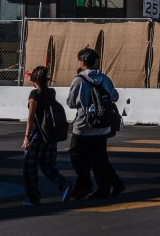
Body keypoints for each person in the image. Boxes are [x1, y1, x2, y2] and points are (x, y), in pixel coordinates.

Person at [67, 47, 125, 199]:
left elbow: (72, 103)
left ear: (82, 61)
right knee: (99, 158)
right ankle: (108, 186)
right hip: (102, 126)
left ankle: (85, 185)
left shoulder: (79, 80)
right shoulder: (105, 79)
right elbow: (115, 97)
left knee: (77, 156)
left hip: (83, 127)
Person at [22, 65, 72, 206]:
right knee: (47, 165)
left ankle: (33, 198)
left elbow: (31, 116)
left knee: (30, 168)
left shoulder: (34, 95)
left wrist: (26, 136)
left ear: (34, 80)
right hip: (50, 135)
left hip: (38, 134)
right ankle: (63, 184)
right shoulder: (51, 92)